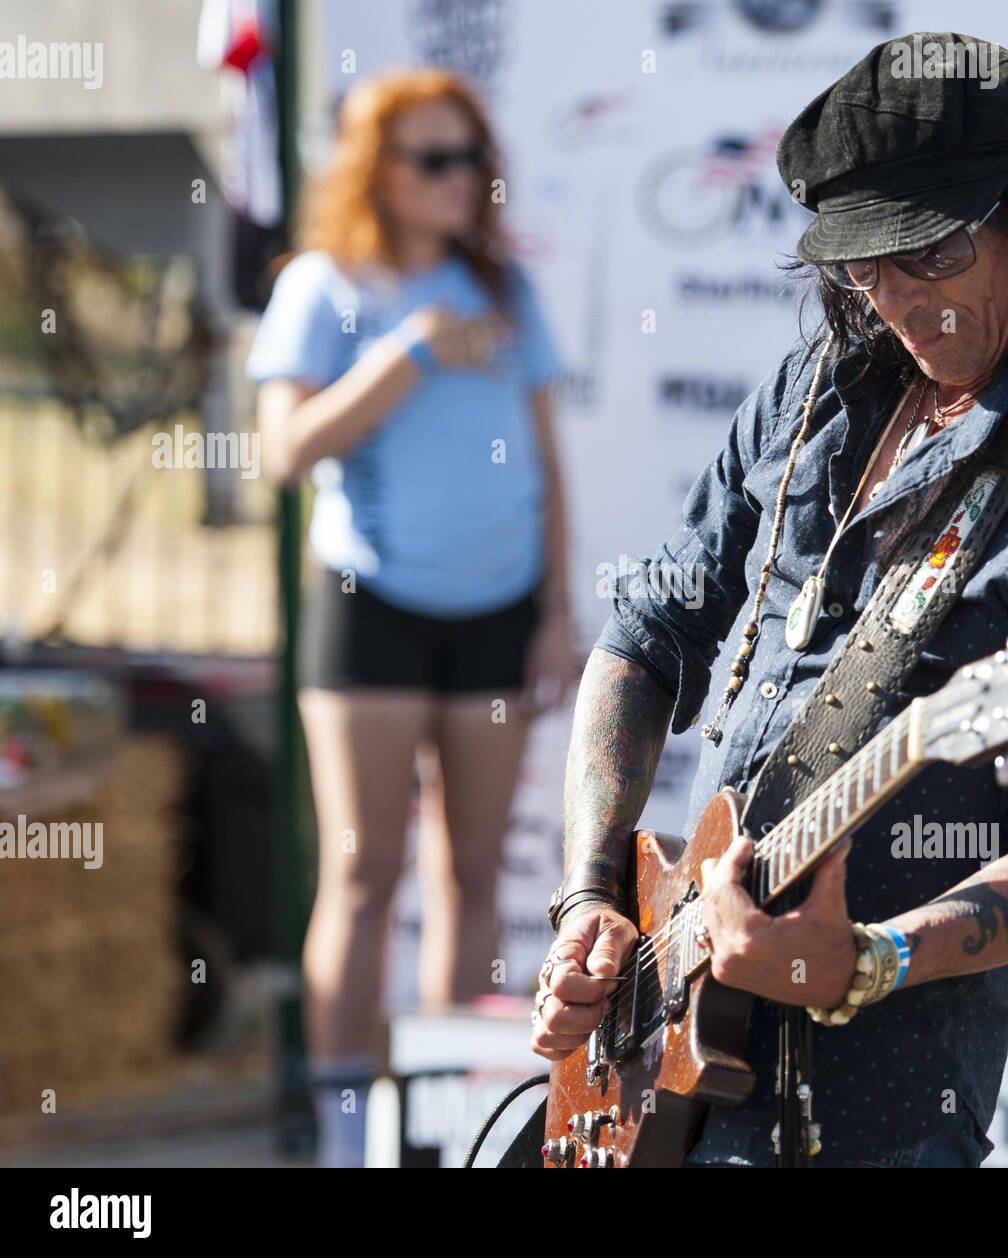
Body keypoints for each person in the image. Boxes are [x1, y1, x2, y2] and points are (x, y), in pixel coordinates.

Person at [528, 33, 1008, 1168]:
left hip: (866, 1124)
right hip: (653, 1079)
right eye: (863, 265)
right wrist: (592, 899)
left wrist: (864, 960)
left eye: (931, 254)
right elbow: (645, 634)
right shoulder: (815, 390)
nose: (896, 299)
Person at [246, 68, 570, 1166]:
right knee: (360, 871)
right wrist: (409, 352)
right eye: (434, 158)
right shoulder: (323, 287)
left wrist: (555, 611)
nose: (461, 178)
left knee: (475, 872)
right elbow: (285, 451)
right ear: (375, 173)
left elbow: (546, 463)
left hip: (498, 614)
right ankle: (343, 1126)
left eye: (470, 156)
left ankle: (451, 1110)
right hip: (369, 609)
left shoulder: (506, 288)